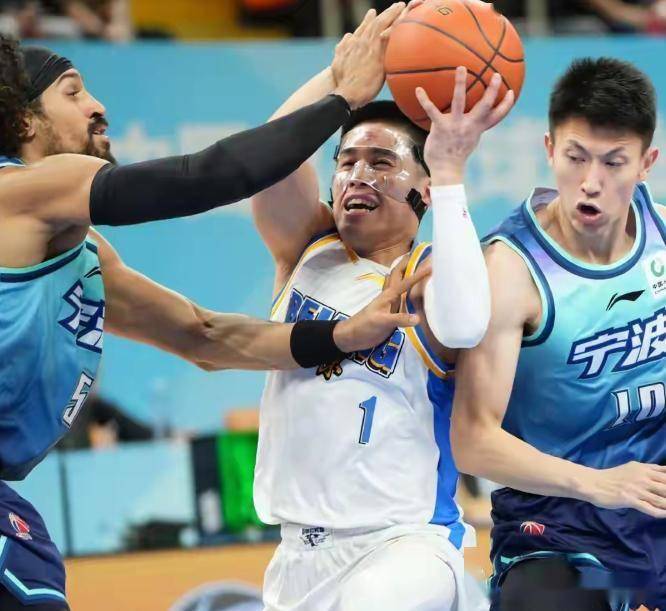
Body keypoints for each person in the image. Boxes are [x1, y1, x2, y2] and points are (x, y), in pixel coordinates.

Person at [0, 6, 422, 608]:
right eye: (73, 93)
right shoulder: (17, 191)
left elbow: (205, 337)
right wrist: (341, 97)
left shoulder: (83, 254)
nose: (98, 106)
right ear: (22, 119)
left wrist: (340, 335)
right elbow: (204, 177)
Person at [249, 5, 515, 606]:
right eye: (346, 162)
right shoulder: (306, 251)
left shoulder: (430, 275)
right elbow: (267, 159)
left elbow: (465, 323)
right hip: (295, 557)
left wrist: (450, 172)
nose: (357, 175)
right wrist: (340, 85)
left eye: (381, 162)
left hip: (404, 546)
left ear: (423, 189)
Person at [450, 57, 665, 610]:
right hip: (561, 526)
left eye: (614, 162)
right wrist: (600, 484)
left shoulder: (663, 232)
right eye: (576, 157)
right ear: (549, 150)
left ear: (647, 163)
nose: (591, 182)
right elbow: (473, 440)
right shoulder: (510, 271)